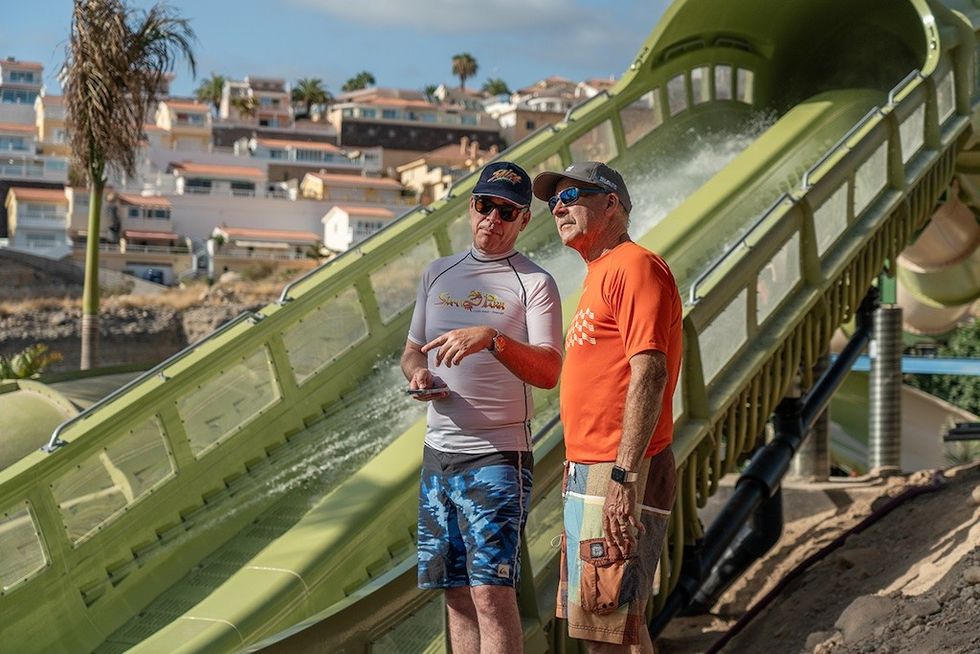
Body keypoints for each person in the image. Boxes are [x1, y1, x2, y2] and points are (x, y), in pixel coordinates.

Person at [401, 160, 564, 653]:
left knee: (491, 594)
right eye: (483, 205)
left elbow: (549, 371)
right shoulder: (437, 273)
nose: (491, 219)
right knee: (453, 594)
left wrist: (492, 339)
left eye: (506, 211)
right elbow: (411, 351)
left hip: (498, 455)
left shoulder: (535, 283)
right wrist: (418, 375)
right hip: (438, 453)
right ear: (470, 206)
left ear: (523, 221)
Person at [532, 161, 682, 653]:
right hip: (595, 470)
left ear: (611, 203)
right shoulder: (601, 272)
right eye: (554, 202)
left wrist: (623, 477)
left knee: (605, 633)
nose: (559, 208)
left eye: (571, 196)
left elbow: (650, 371)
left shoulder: (634, 266)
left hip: (613, 472)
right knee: (618, 627)